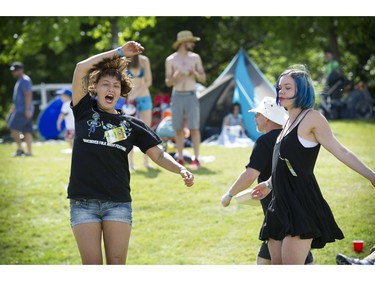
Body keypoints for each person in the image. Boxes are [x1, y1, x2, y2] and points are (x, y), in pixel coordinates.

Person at [68, 41, 194, 265]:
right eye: (105, 84)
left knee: (117, 266)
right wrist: (118, 53)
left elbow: (158, 155)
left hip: (117, 203)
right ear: (94, 88)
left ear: (121, 91)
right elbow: (81, 68)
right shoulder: (83, 110)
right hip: (83, 203)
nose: (110, 89)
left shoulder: (131, 124)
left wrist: (181, 168)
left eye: (116, 86)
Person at [250, 65, 375, 265]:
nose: (280, 91)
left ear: (302, 90)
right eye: (279, 87)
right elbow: (287, 163)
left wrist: (371, 175)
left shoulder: (311, 118)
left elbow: (340, 150)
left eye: (287, 88)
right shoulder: (287, 122)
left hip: (300, 201)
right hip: (278, 203)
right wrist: (268, 184)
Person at [221, 97, 313, 265]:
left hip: (281, 216)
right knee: (264, 261)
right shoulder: (292, 137)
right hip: (296, 210)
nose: (255, 118)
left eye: (257, 114)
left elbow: (250, 175)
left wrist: (229, 195)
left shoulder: (265, 141)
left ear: (267, 117)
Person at [165, 30, 206, 168]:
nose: (193, 44)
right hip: (177, 95)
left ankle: (196, 158)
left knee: (194, 128)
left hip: (191, 95)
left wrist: (194, 73)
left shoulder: (195, 58)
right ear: (183, 43)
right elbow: (168, 82)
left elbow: (203, 78)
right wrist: (176, 76)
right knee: (178, 128)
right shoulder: (171, 60)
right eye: (191, 42)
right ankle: (180, 157)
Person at [126, 54, 153, 169]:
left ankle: (146, 162)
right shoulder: (124, 60)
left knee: (147, 130)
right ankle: (130, 163)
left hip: (144, 97)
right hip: (130, 101)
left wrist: (135, 94)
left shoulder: (144, 60)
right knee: (128, 130)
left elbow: (148, 82)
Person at [7, 62, 34, 157]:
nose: (13, 72)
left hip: (23, 110)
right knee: (27, 130)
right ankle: (29, 152)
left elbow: (28, 94)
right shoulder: (20, 80)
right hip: (21, 109)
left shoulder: (24, 80)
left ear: (21, 70)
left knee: (13, 127)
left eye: (15, 70)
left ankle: (20, 149)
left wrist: (27, 109)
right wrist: (14, 107)